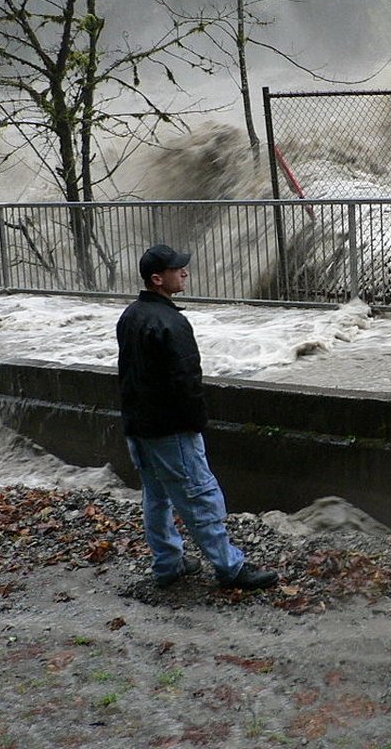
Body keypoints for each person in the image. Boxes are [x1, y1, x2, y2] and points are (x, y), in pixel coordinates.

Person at [116, 243, 277, 591]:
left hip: (139, 426)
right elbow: (186, 381)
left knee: (155, 497)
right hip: (171, 428)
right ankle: (231, 568)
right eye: (177, 269)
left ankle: (168, 564)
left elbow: (129, 374)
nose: (184, 272)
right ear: (158, 279)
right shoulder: (172, 322)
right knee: (199, 495)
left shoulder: (131, 315)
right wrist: (196, 424)